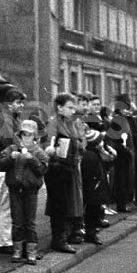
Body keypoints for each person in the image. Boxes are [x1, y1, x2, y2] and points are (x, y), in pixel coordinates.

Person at [0, 118, 47, 264]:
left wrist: (32, 159)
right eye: (24, 135)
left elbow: (43, 170)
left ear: (35, 137)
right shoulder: (11, 149)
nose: (26, 138)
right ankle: (17, 251)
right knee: (17, 221)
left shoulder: (38, 152)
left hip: (31, 190)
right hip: (15, 189)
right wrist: (10, 159)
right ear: (20, 136)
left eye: (30, 135)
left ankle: (31, 251)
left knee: (30, 222)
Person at [43, 93, 85, 255]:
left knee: (68, 203)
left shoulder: (72, 123)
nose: (72, 111)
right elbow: (48, 143)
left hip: (70, 168)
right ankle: (58, 240)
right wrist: (51, 149)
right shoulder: (53, 123)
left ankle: (64, 236)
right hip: (57, 168)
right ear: (59, 107)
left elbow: (79, 141)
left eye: (74, 108)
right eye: (69, 107)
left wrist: (80, 145)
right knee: (58, 204)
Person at [0, 88, 25, 254]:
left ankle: (8, 239)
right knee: (5, 204)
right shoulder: (4, 119)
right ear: (8, 104)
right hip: (4, 165)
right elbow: (8, 140)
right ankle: (4, 241)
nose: (21, 106)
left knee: (9, 204)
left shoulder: (12, 118)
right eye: (18, 102)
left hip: (10, 164)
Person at [106, 94, 135, 213]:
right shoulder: (118, 119)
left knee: (124, 179)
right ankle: (121, 204)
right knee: (122, 180)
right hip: (122, 154)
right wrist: (126, 150)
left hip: (126, 153)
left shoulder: (122, 119)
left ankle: (123, 203)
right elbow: (115, 139)